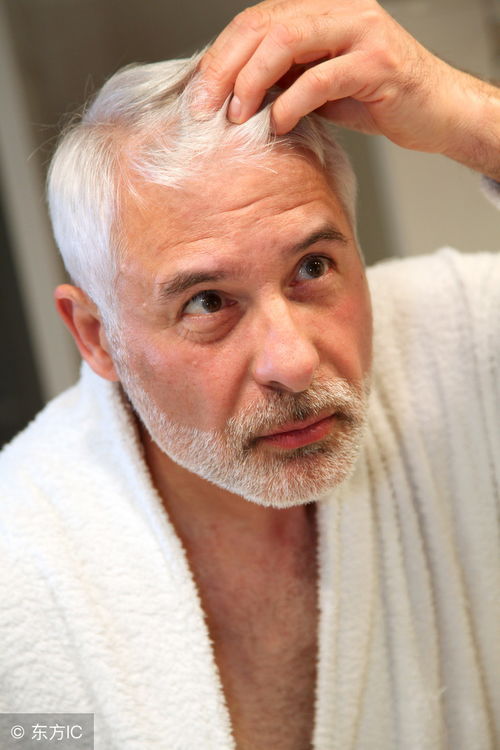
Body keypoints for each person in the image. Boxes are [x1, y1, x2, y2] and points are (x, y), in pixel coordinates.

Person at [0, 0, 498, 748]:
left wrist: (473, 119)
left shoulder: (457, 348)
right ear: (97, 338)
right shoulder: (23, 570)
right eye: (207, 302)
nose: (293, 361)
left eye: (313, 267)